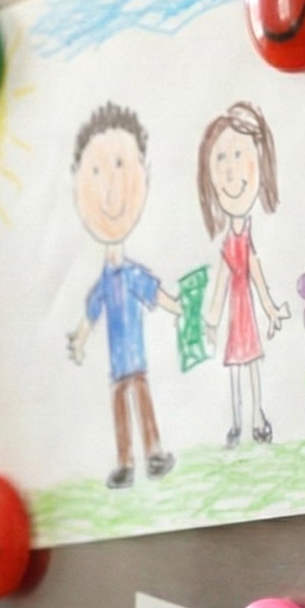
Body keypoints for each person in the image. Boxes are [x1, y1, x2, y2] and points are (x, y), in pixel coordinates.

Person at [67, 102, 181, 489]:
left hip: (137, 362)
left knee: (141, 400)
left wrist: (177, 307)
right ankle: (125, 462)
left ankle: (154, 454)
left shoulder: (132, 274)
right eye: (97, 172)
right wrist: (79, 339)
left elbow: (155, 293)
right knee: (120, 405)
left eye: (120, 166)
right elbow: (91, 313)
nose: (111, 187)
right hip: (119, 365)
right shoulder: (105, 281)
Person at [197, 102, 289, 448]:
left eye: (238, 156)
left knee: (250, 365)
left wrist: (271, 309)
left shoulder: (246, 241)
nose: (230, 171)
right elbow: (221, 284)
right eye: (221, 159)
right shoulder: (230, 244)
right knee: (237, 367)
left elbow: (258, 278)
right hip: (236, 316)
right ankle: (237, 423)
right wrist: (211, 319)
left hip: (246, 315)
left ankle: (257, 419)